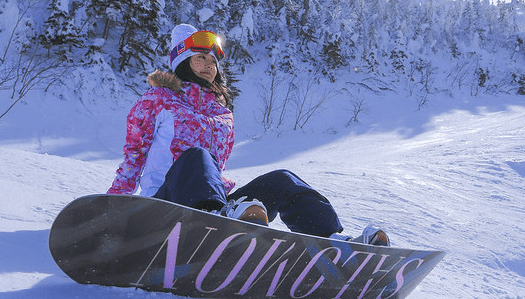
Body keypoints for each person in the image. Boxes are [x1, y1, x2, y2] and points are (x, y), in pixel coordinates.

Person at [107, 23, 389, 246]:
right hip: (164, 206)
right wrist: (110, 210)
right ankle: (215, 221)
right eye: (200, 58)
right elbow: (134, 156)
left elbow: (215, 172)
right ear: (182, 63)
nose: (209, 65)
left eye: (213, 61)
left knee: (283, 180)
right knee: (196, 157)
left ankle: (332, 242)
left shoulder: (222, 114)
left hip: (215, 205)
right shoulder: (158, 99)